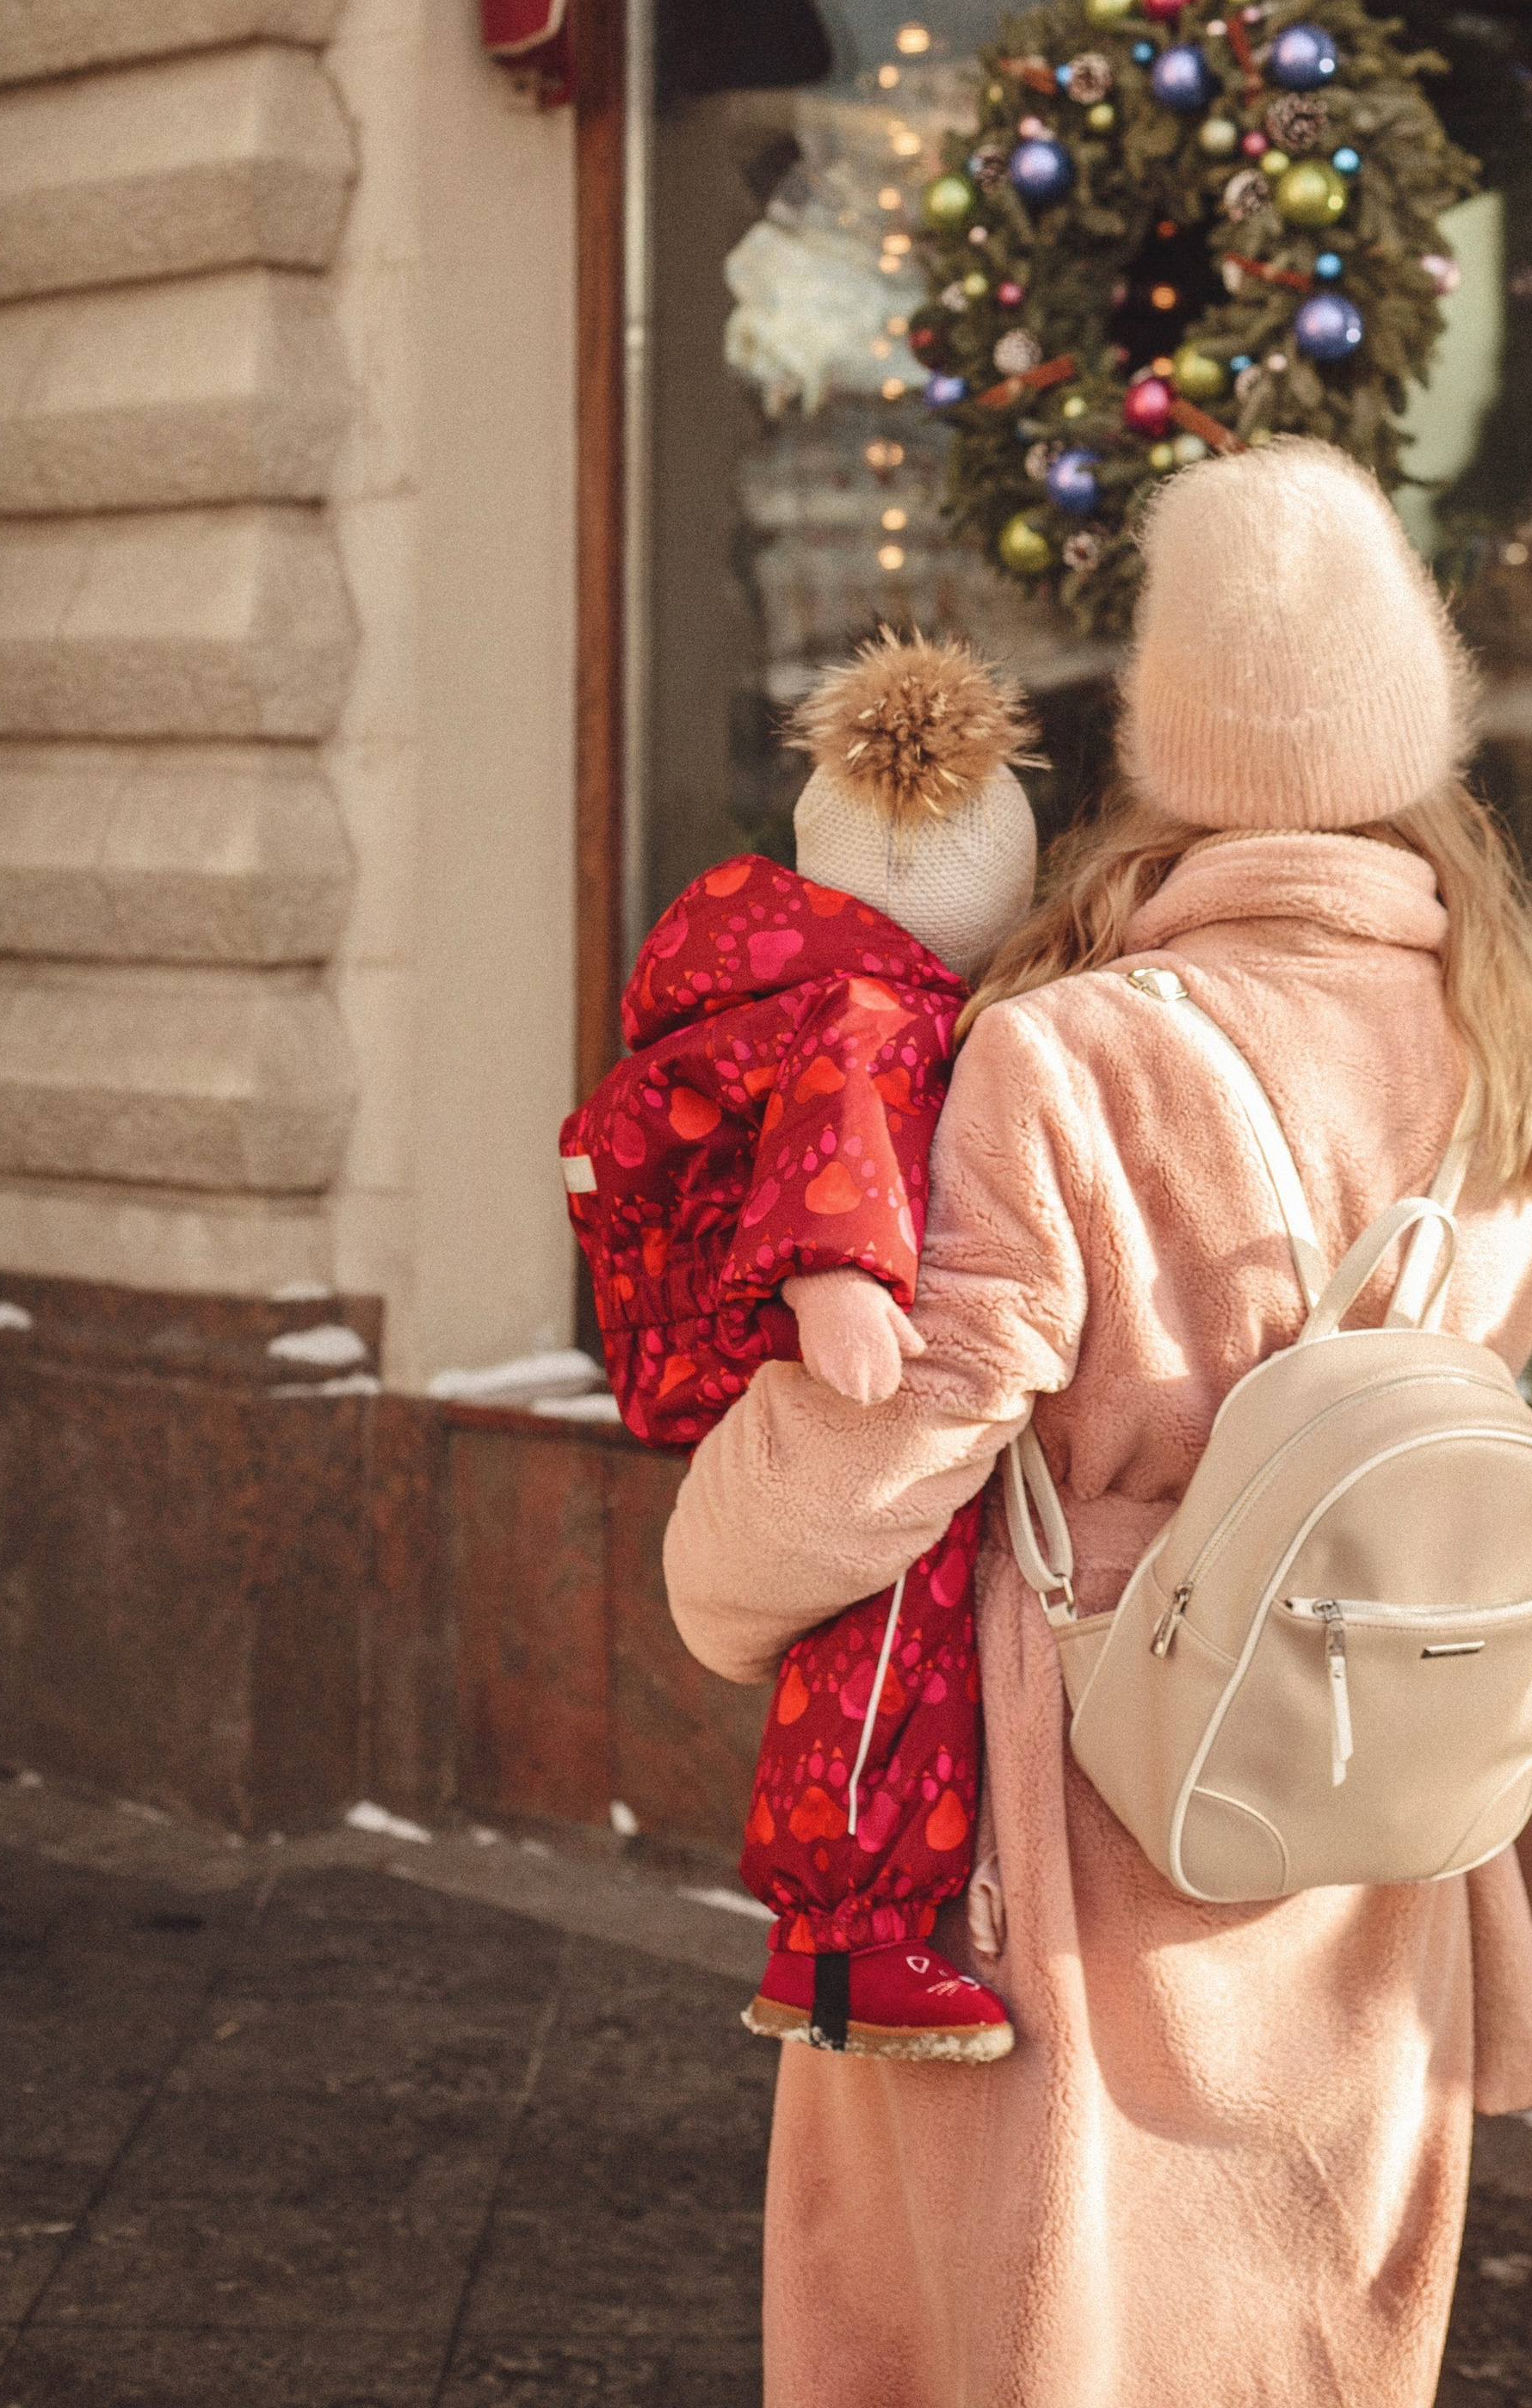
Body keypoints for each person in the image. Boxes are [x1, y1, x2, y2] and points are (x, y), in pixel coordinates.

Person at [664, 441, 1532, 2408]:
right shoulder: (1517, 1052)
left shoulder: (1067, 1048)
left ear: (1165, 741)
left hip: (1090, 1789)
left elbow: (912, 1421)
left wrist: (717, 1565)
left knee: (1035, 2321)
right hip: (1376, 1785)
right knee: (1304, 2328)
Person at [563, 632, 1045, 2059]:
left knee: (852, 1603)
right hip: (804, 1324)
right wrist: (841, 1277)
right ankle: (848, 1931)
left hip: (706, 1319)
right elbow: (846, 1119)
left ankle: (835, 1945)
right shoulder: (877, 1006)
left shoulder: (762, 970)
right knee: (896, 1601)